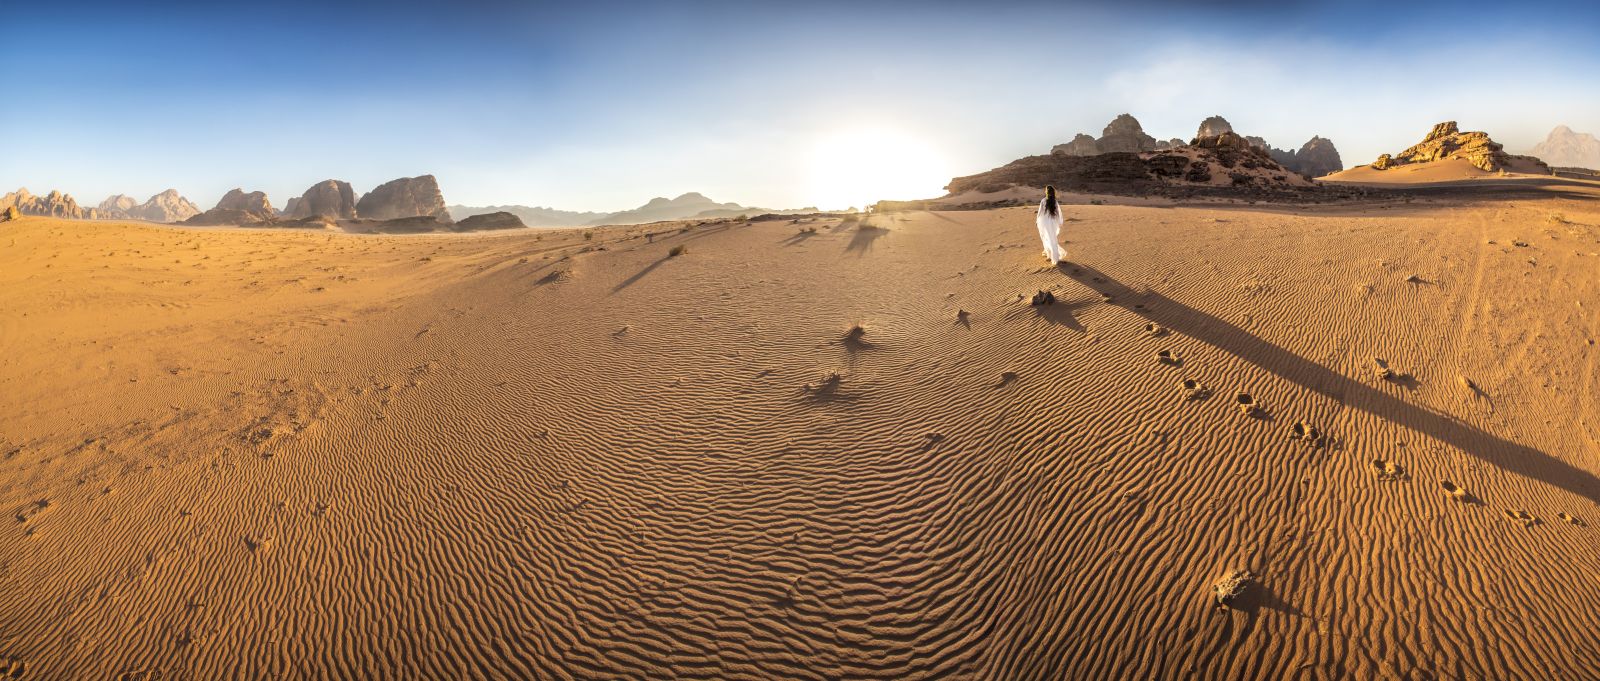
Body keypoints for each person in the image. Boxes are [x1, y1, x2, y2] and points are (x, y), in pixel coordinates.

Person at [1036, 185, 1064, 264]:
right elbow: (1058, 213)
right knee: (1053, 238)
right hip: (1052, 222)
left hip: (1044, 222)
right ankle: (1054, 256)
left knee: (1046, 238)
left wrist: (1037, 221)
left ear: (1046, 192)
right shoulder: (1055, 201)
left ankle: (1049, 255)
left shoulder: (1043, 200)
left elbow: (1040, 212)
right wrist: (1060, 222)